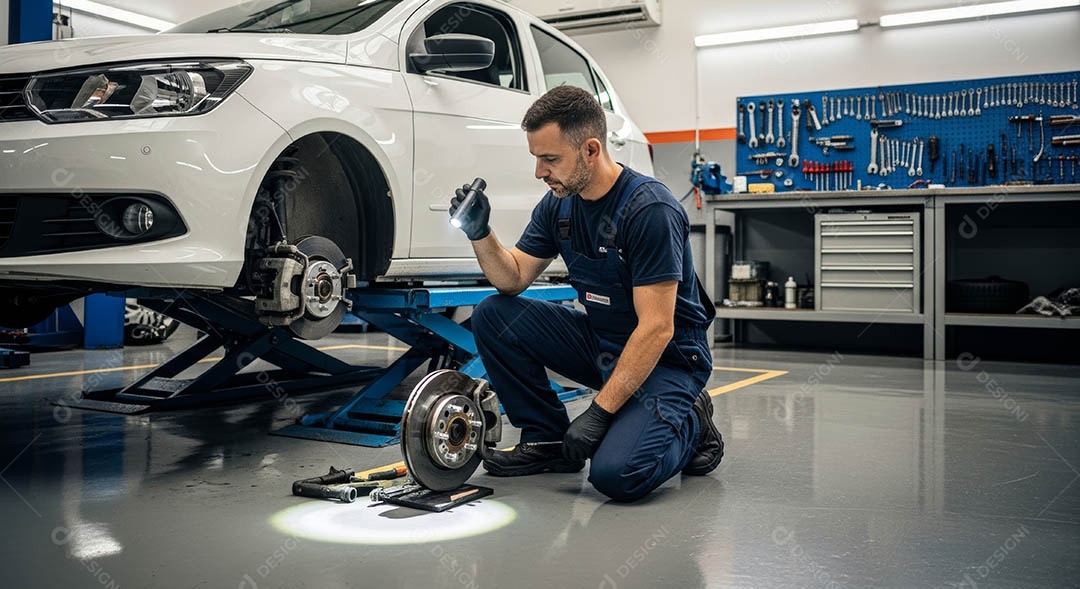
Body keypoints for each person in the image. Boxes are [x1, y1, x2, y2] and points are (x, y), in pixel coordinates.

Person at [448, 85, 723, 502]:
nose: (540, 172)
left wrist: (599, 413)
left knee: (617, 475)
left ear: (591, 149)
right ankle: (545, 441)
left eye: (550, 159)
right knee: (494, 313)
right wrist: (479, 232)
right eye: (537, 158)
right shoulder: (559, 204)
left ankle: (692, 422)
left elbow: (656, 328)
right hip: (605, 346)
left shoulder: (650, 211)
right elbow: (513, 278)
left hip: (667, 361)